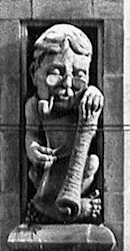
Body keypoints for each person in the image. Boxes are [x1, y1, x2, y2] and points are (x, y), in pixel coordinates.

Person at [24, 23, 103, 222]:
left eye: (78, 75)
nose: (67, 85)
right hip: (49, 169)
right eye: (56, 73)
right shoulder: (34, 106)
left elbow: (94, 101)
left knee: (92, 164)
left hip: (77, 168)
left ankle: (67, 208)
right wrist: (34, 151)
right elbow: (31, 135)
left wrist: (94, 93)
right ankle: (72, 210)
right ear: (35, 73)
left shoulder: (82, 104)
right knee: (37, 180)